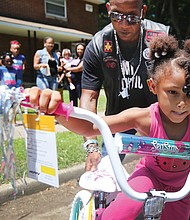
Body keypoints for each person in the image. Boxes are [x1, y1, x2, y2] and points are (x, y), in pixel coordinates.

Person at [26, 35, 190, 220]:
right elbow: (91, 127)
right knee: (119, 214)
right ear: (153, 86)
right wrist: (56, 110)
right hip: (150, 176)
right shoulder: (145, 118)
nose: (182, 103)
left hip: (183, 185)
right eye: (172, 93)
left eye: (188, 93)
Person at [80, 0, 171, 171]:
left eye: (132, 17)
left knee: (166, 172)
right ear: (108, 9)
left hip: (157, 116)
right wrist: (91, 145)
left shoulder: (160, 37)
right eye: (116, 16)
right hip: (118, 117)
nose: (124, 24)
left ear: (143, 11)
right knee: (105, 170)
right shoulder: (99, 44)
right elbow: (89, 96)